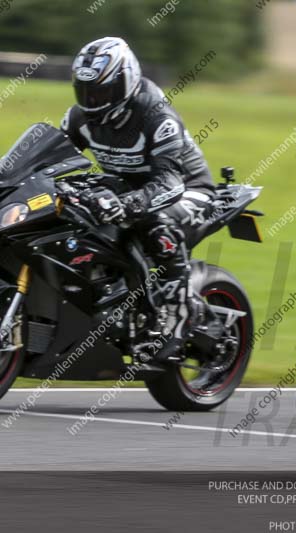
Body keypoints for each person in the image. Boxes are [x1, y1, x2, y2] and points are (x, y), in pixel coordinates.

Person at [61, 36, 216, 361]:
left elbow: (169, 182)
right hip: (126, 188)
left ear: (125, 80)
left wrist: (127, 204)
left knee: (155, 224)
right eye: (85, 91)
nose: (92, 99)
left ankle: (179, 314)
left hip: (188, 190)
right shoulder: (79, 118)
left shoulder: (157, 117)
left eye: (102, 91)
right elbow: (52, 157)